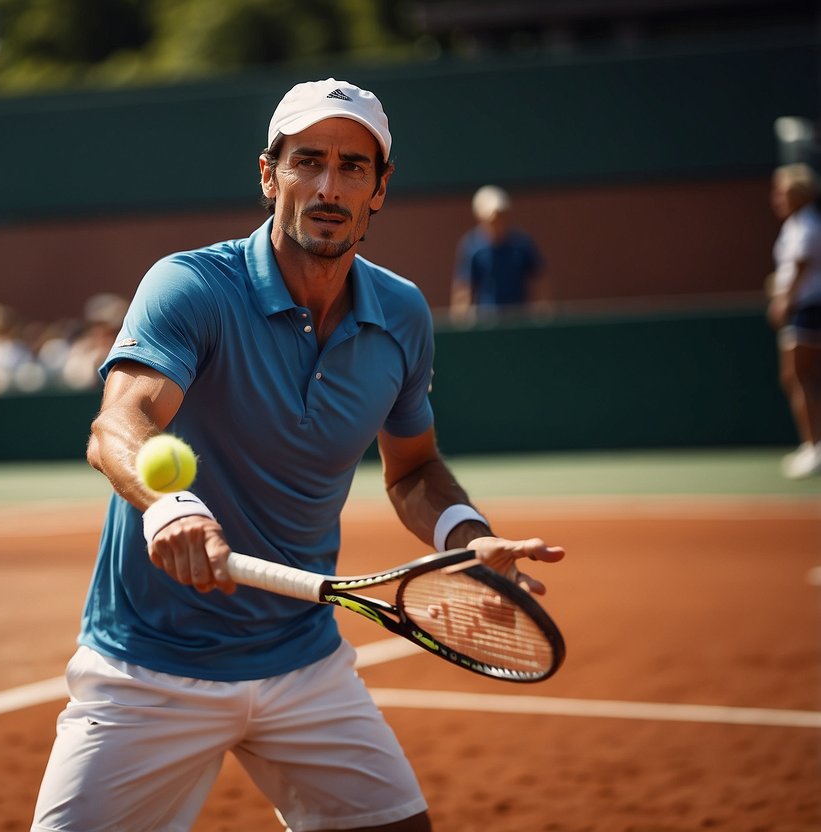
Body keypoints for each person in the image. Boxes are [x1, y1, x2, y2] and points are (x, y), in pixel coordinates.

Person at [31, 78, 565, 832]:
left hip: (304, 662)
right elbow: (118, 423)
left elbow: (411, 469)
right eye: (306, 161)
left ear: (379, 189)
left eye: (352, 167)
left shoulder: (403, 314)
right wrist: (173, 507)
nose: (327, 185)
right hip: (148, 670)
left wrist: (466, 540)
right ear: (267, 174)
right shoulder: (190, 287)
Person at [767, 163, 821, 479]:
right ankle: (812, 445)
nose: (777, 198)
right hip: (807, 307)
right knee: (802, 377)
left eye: (784, 192)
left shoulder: (805, 225)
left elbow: (801, 266)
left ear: (800, 194)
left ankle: (814, 446)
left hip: (808, 309)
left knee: (798, 376)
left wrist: (783, 302)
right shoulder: (797, 224)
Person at [450, 185, 546, 324]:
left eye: (502, 216)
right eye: (493, 219)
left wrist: (541, 311)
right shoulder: (472, 246)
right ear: (480, 218)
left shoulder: (522, 244)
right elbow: (464, 288)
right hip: (487, 320)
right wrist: (460, 320)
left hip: (519, 318)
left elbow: (539, 277)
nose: (498, 222)